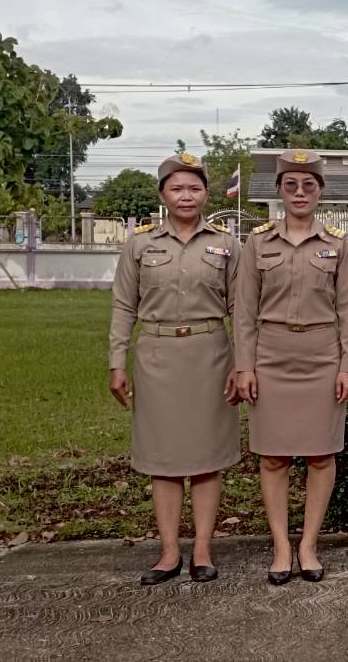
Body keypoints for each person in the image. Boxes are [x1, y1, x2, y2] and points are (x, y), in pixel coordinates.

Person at [107, 153, 240, 585]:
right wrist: (117, 362)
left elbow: (242, 309)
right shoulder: (141, 244)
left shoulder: (226, 243)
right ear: (163, 193)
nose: (187, 195)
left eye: (195, 188)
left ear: (207, 194)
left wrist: (243, 364)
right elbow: (125, 305)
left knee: (205, 458)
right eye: (178, 188)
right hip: (157, 354)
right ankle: (167, 553)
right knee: (162, 460)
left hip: (210, 354)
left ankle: (202, 549)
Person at [233, 150, 348, 585]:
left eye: (309, 185)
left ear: (321, 191)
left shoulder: (338, 244)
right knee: (272, 458)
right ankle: (281, 546)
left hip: (322, 355)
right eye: (291, 184)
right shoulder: (258, 242)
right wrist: (244, 366)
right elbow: (244, 312)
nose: (300, 192)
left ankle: (308, 544)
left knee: (321, 455)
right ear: (279, 191)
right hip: (271, 356)